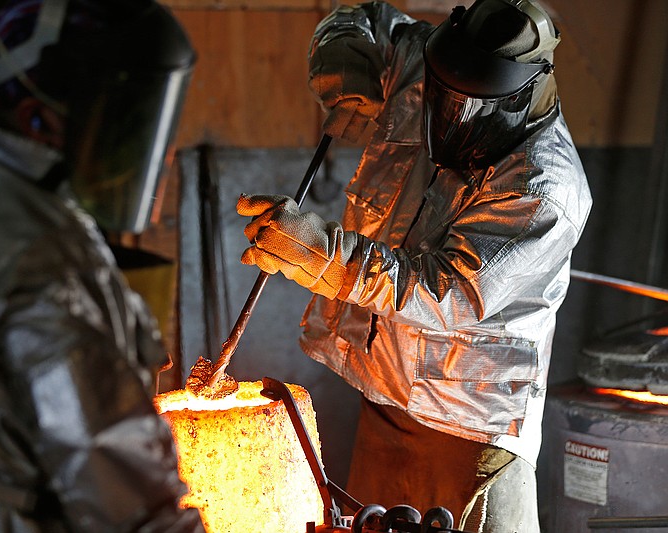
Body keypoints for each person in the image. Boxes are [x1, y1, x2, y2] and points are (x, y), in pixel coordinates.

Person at [236, 0, 592, 531]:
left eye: (470, 103)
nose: (447, 110)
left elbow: (446, 292)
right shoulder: (425, 64)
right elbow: (359, 17)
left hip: (468, 433)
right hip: (384, 397)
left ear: (521, 95)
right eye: (442, 90)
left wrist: (319, 253)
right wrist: (347, 65)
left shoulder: (544, 189)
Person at [0, 0, 203, 530]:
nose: (134, 148)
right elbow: (111, 469)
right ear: (38, 117)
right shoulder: (38, 250)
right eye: (114, 120)